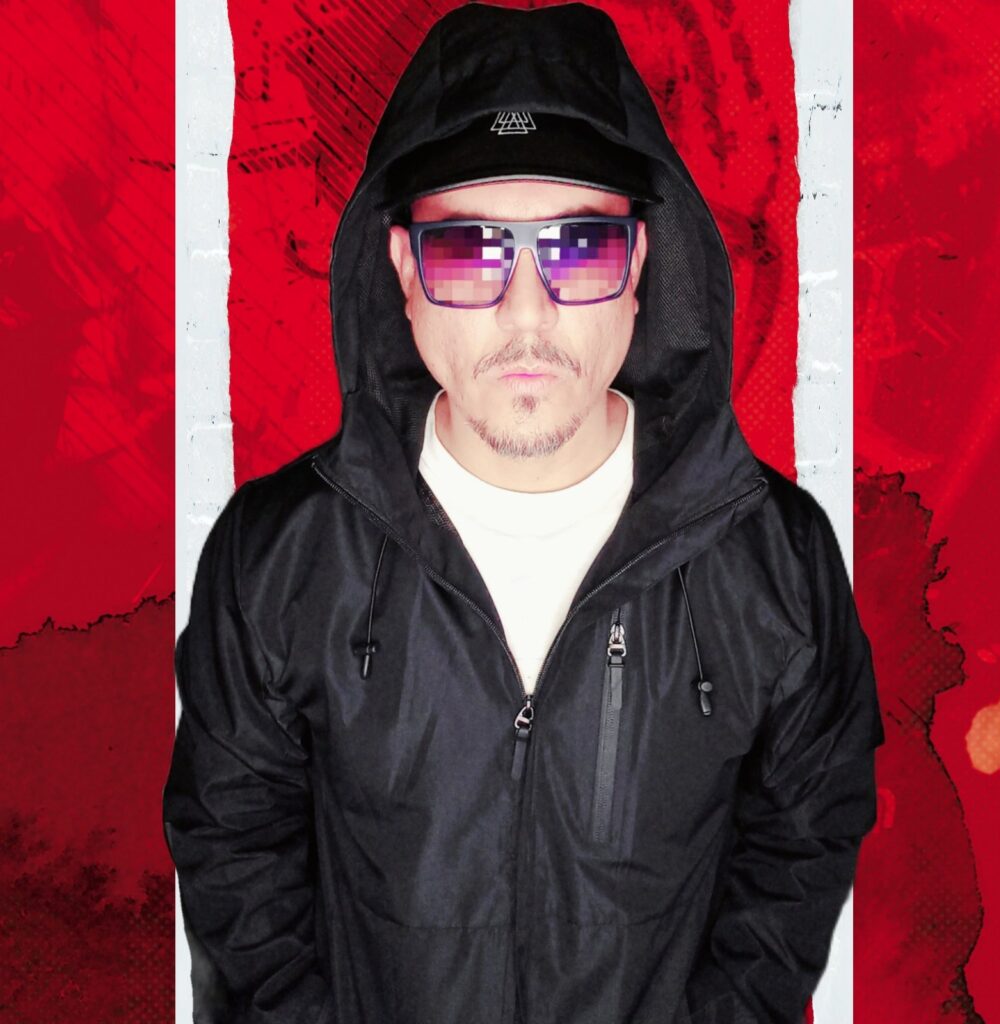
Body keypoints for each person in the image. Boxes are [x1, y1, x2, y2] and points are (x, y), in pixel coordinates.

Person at [163, 4, 885, 1023]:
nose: (527, 314)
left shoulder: (775, 560)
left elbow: (800, 846)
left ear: (640, 265)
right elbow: (236, 865)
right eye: (471, 250)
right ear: (403, 271)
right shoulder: (276, 557)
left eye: (578, 246)